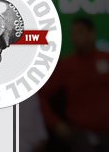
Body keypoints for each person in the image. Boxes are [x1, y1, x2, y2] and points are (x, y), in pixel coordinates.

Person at [39, 17, 109, 152]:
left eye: (80, 32)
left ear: (91, 34)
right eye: (73, 34)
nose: (76, 38)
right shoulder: (67, 66)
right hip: (79, 135)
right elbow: (41, 97)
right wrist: (56, 124)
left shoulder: (105, 59)